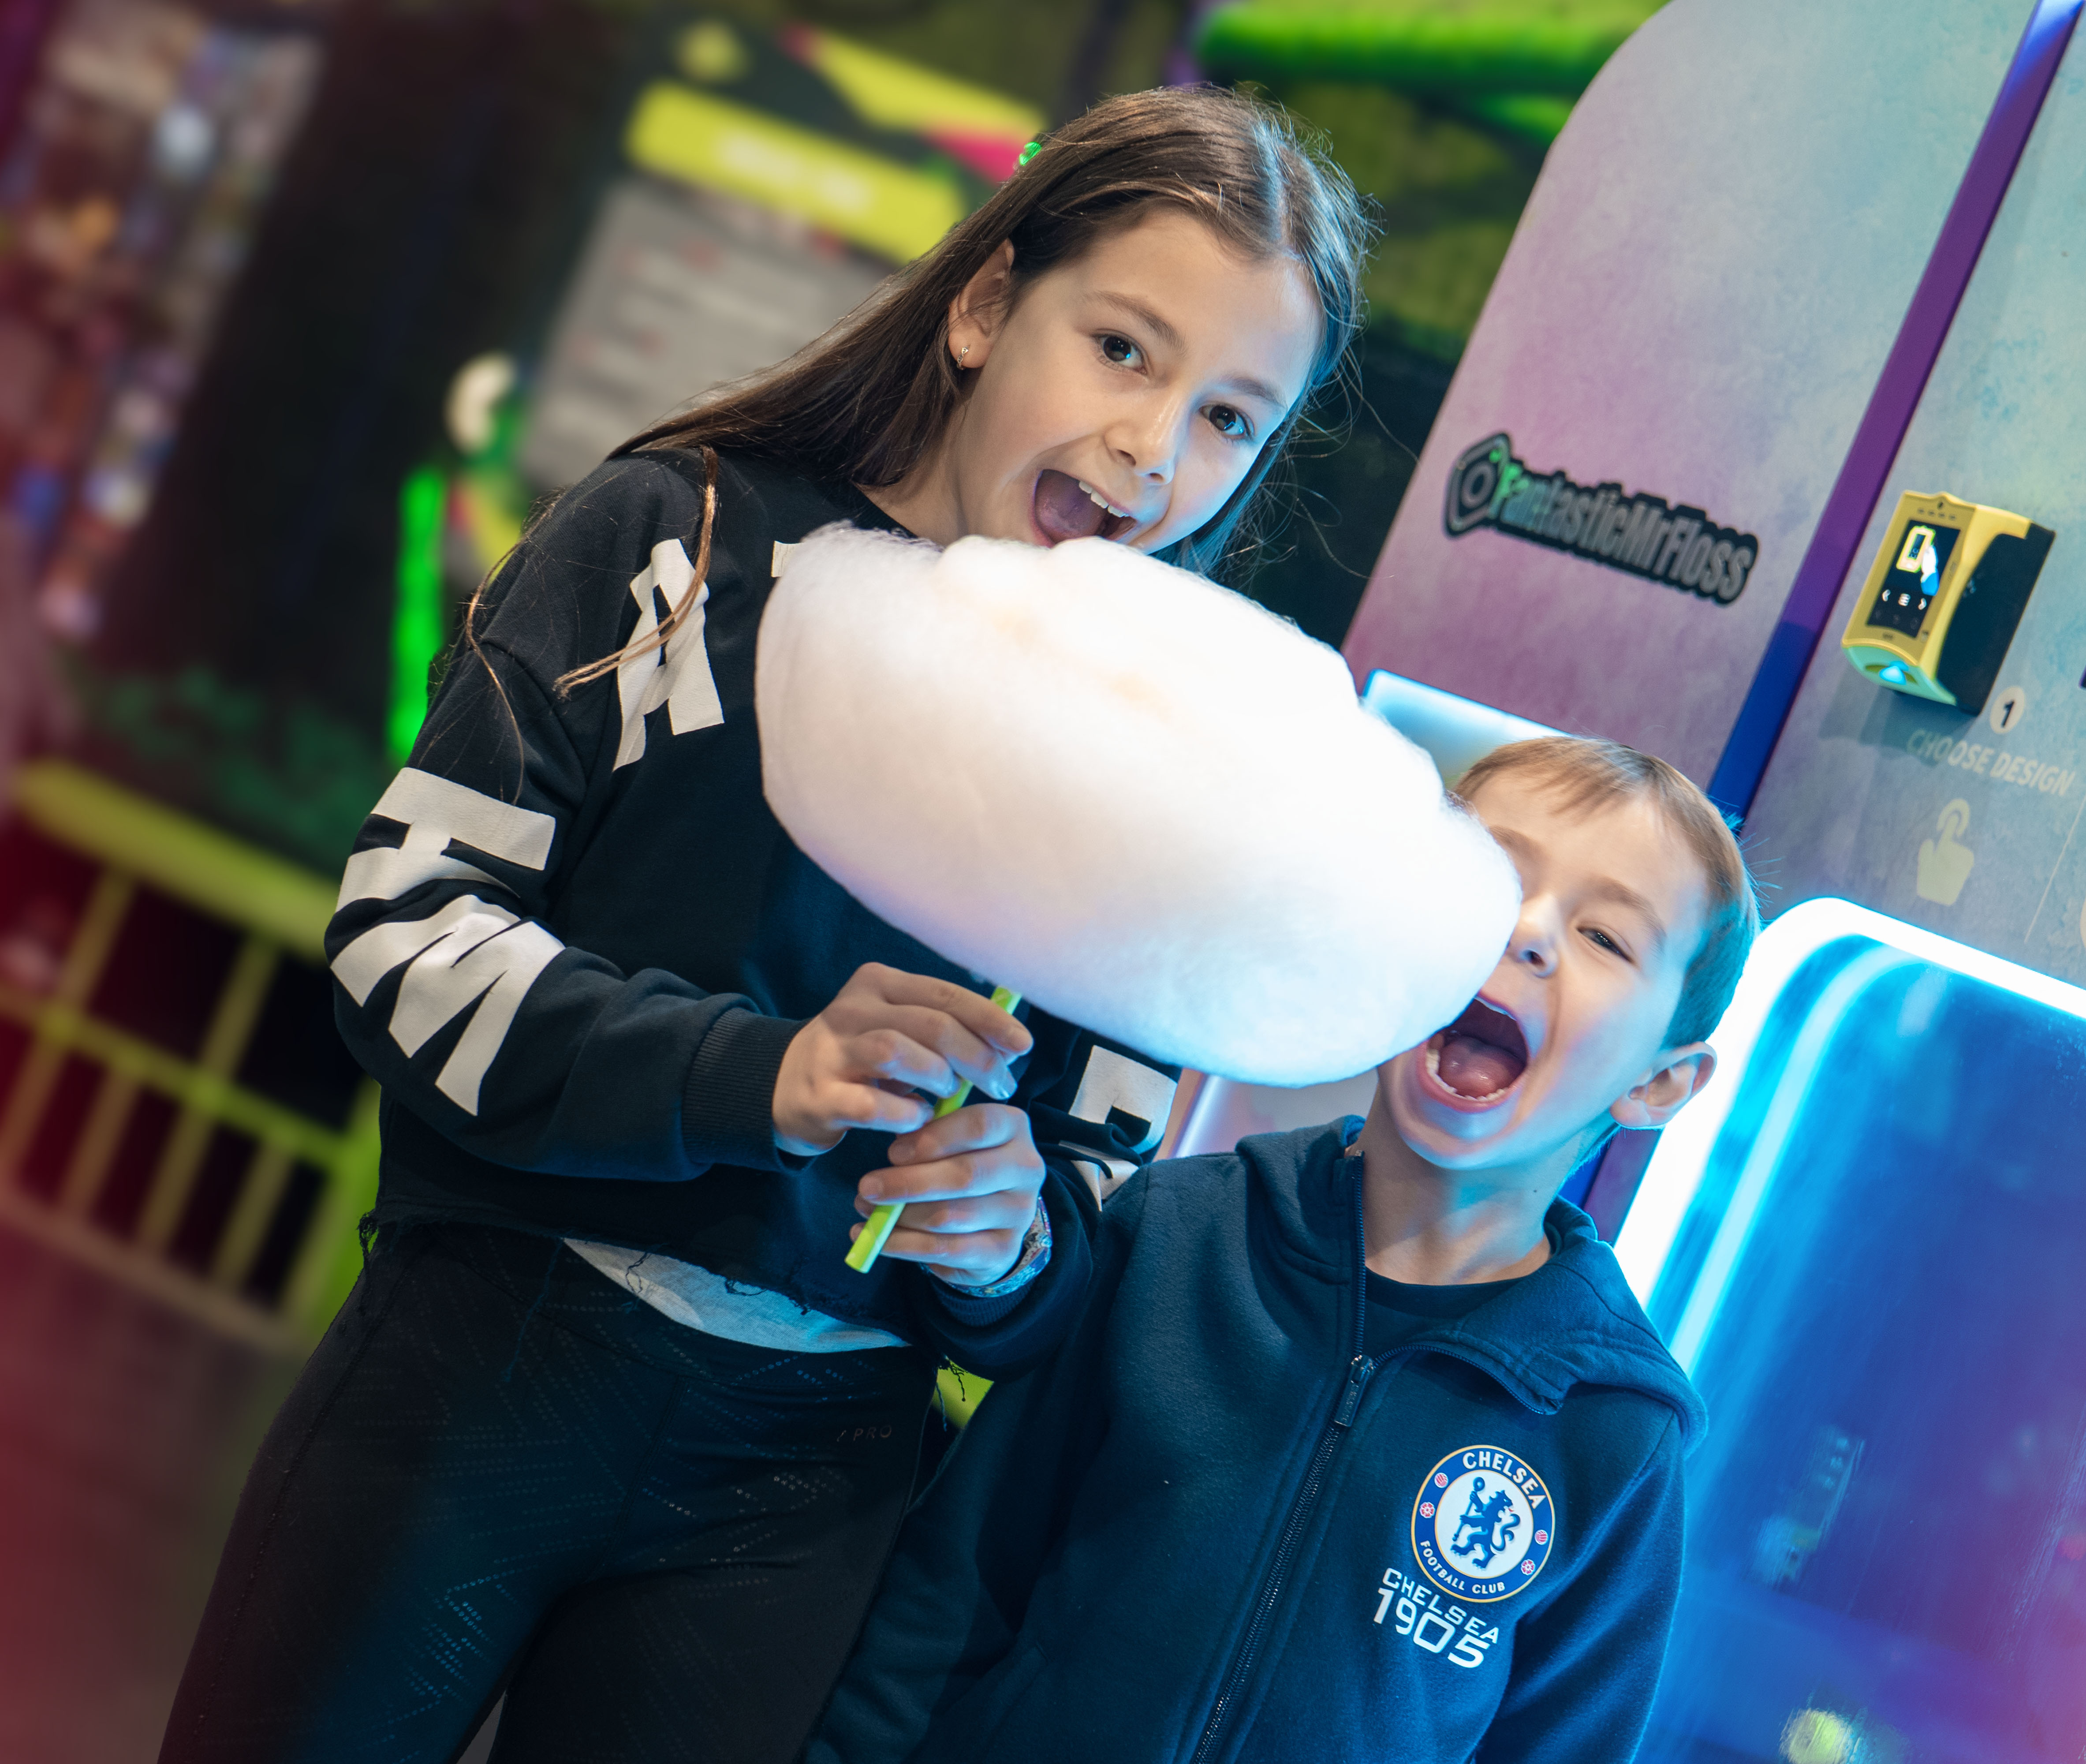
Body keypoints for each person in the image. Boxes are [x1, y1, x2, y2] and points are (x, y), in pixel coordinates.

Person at [161, 86, 1371, 1764]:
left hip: (816, 1480)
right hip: (479, 1361)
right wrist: (764, 1075)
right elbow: (405, 933)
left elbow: (1080, 1234)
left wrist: (1011, 1237)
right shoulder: (681, 534)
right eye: (1121, 349)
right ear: (979, 305)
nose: (1156, 449)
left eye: (1235, 416)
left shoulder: (1170, 777)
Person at [807, 735, 1761, 1764]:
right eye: (1493, 877)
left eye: (1607, 936)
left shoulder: (1611, 1430)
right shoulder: (1176, 1232)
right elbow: (953, 1592)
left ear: (1663, 1082)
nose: (1527, 931)